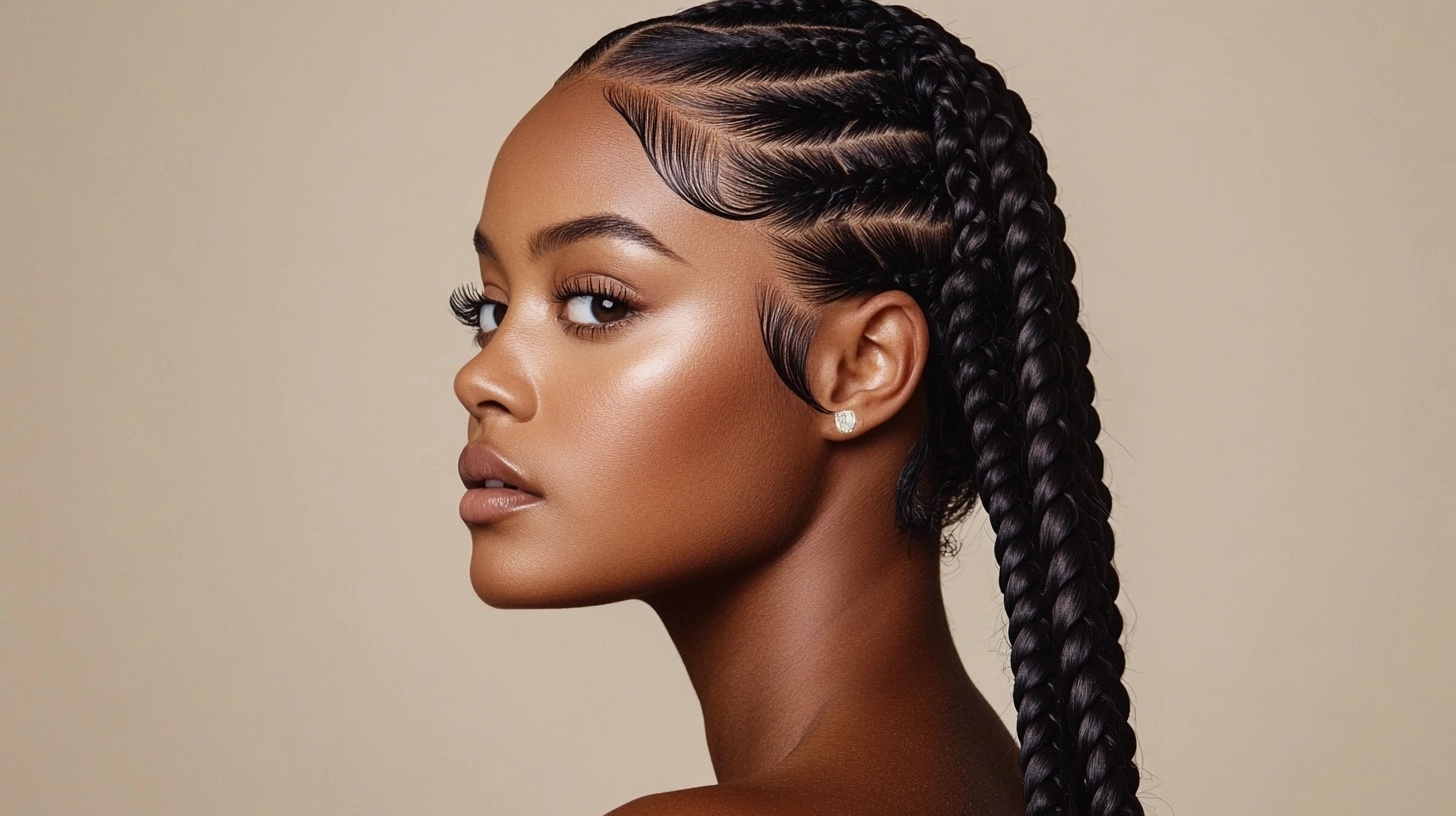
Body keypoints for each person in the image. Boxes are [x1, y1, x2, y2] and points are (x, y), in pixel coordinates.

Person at [451, 1, 1143, 813]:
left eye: (598, 305)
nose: (483, 378)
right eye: (490, 309)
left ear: (861, 368)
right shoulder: (1003, 779)